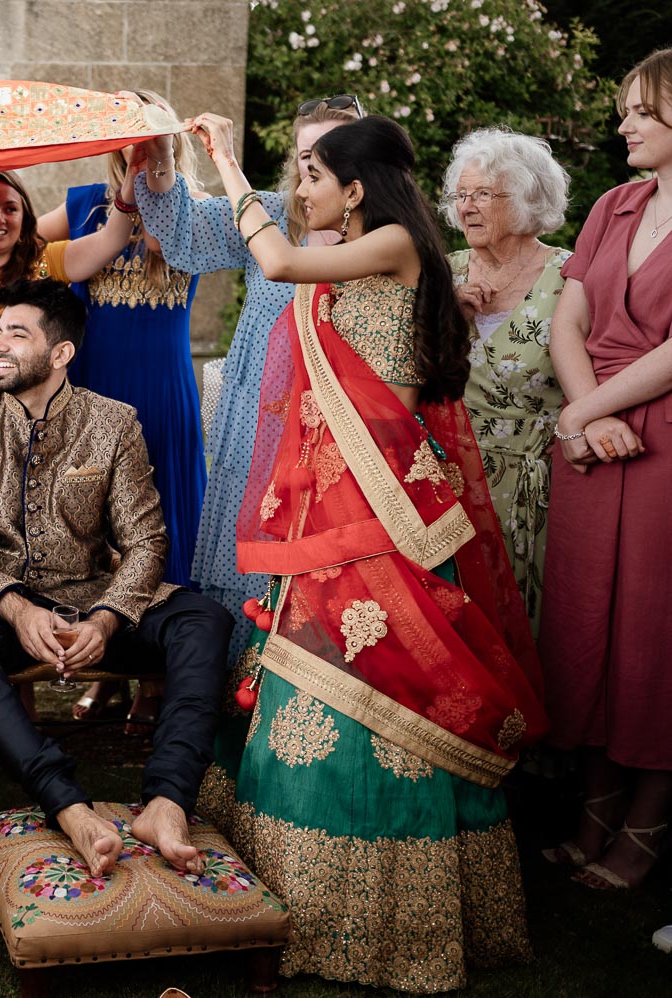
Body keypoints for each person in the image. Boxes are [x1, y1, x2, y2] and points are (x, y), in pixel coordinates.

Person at [195, 112, 548, 990]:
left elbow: (274, 261)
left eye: (312, 176)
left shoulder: (391, 241)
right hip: (336, 493)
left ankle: (395, 918)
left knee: (386, 660)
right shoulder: (371, 248)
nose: (300, 191)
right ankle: (297, 895)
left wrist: (226, 167)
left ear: (354, 190)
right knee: (318, 658)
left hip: (382, 499)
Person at [0, 278, 232, 879]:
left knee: (203, 618)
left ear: (60, 353)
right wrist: (13, 606)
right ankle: (67, 804)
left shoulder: (113, 423)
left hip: (90, 599)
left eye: (17, 333)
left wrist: (108, 617)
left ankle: (166, 800)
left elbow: (146, 540)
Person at [136, 95, 363, 672]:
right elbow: (184, 232)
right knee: (247, 561)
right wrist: (161, 150)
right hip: (256, 428)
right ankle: (231, 711)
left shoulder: (380, 238)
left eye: (333, 153)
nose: (316, 166)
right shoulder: (266, 214)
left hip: (332, 437)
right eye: (308, 153)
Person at [538, 47, 672, 891]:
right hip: (594, 439)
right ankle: (591, 808)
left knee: (652, 637)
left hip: (658, 438)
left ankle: (649, 824)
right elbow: (568, 317)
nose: (624, 122)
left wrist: (583, 413)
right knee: (585, 626)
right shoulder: (615, 205)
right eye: (624, 108)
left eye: (644, 110)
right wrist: (587, 416)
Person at [37, 91, 206, 589]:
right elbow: (21, 243)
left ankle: (166, 638)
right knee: (92, 508)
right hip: (95, 381)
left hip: (162, 384)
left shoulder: (193, 206)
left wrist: (156, 165)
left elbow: (159, 237)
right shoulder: (84, 204)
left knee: (164, 508)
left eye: (147, 132)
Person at [440, 128, 572, 635]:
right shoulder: (442, 275)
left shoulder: (571, 276)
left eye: (482, 195)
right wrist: (446, 316)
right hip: (450, 485)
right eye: (461, 195)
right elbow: (406, 373)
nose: (466, 207)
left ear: (525, 198)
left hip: (541, 490)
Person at [0, 168, 143, 407]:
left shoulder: (48, 260)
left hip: (38, 433)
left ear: (24, 216)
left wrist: (131, 182)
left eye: (10, 209)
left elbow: (111, 240)